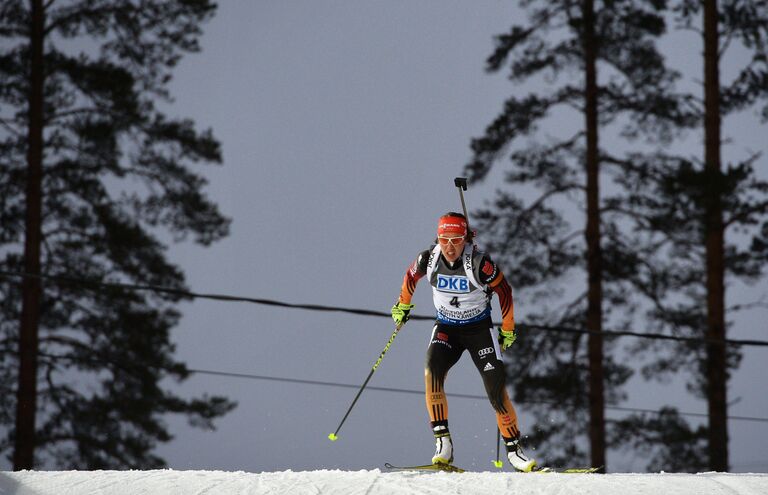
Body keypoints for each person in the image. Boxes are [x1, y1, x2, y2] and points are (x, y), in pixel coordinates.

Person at [390, 212, 536, 472]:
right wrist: (403, 305)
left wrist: (508, 329)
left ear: (465, 239)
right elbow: (410, 277)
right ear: (438, 238)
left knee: (496, 389)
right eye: (445, 240)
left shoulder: (479, 263)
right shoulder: (429, 258)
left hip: (478, 329)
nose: (449, 247)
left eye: (456, 240)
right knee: (432, 370)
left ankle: (515, 451)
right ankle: (443, 444)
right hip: (447, 328)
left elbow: (505, 292)